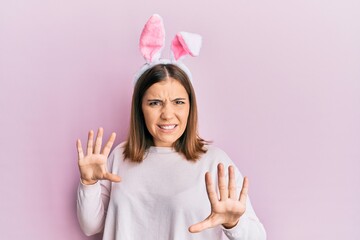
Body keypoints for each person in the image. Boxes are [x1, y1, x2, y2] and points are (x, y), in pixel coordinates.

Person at [76, 15, 266, 240]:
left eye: (178, 102)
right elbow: (90, 227)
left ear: (190, 107)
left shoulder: (215, 162)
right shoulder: (119, 156)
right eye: (155, 103)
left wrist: (234, 224)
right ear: (140, 108)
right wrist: (88, 183)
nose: (167, 114)